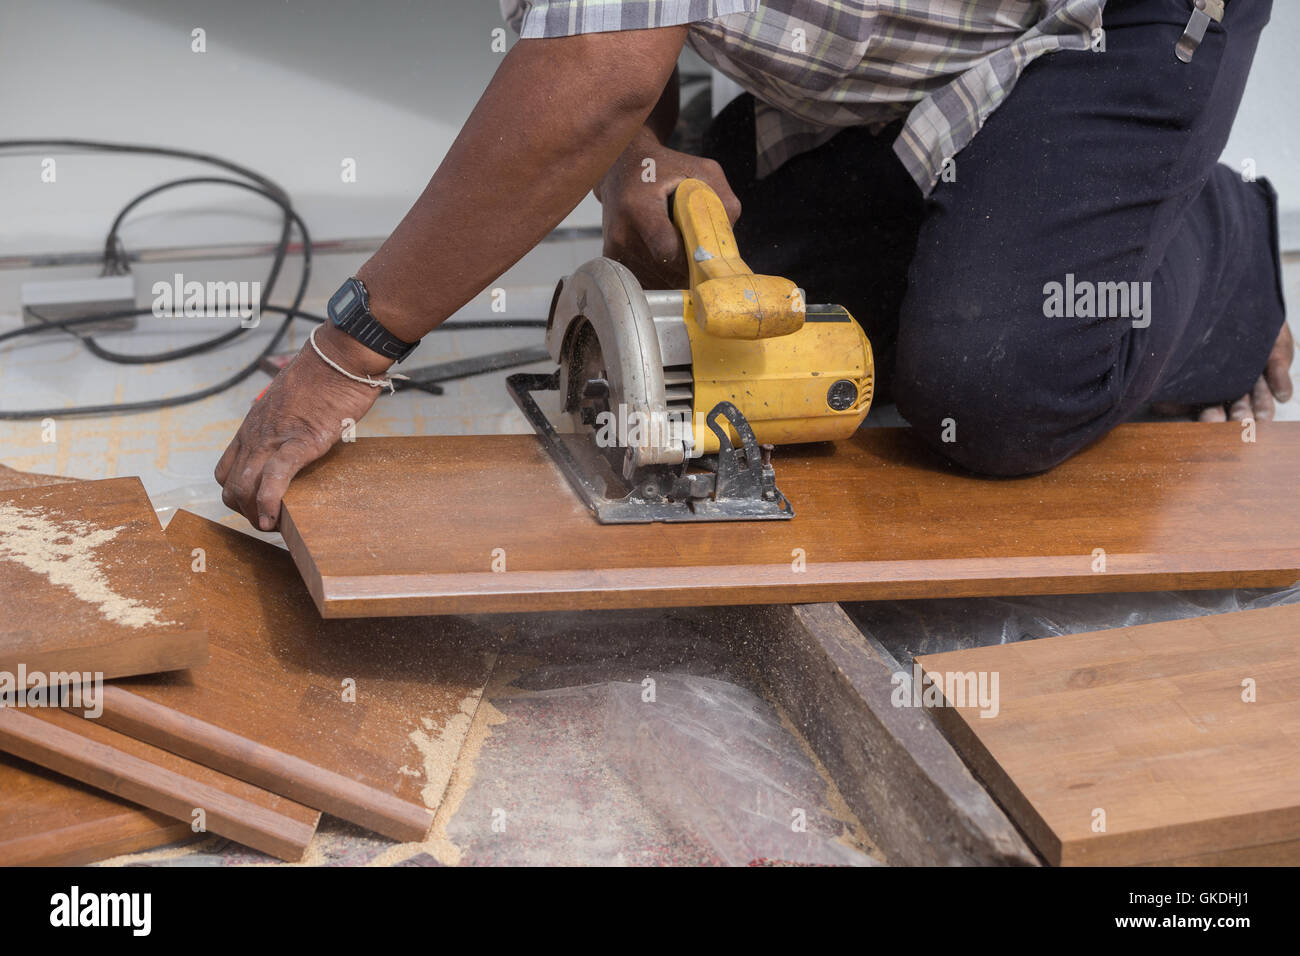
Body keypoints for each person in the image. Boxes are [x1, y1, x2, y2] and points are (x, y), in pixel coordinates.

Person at [218, 0, 1291, 532]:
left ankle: (1214, 245)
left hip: (1117, 17)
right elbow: (606, 55)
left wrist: (349, 351)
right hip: (936, 31)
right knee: (751, 296)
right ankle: (1028, 205)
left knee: (988, 380)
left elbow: (596, 72)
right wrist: (636, 157)